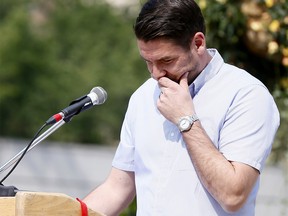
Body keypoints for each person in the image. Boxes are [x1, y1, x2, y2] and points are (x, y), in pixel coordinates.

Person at [83, 0, 280, 215]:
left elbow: (233, 196)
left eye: (166, 60)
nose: (156, 73)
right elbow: (117, 189)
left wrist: (186, 119)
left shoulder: (246, 94)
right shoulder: (143, 95)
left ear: (198, 43)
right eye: (148, 62)